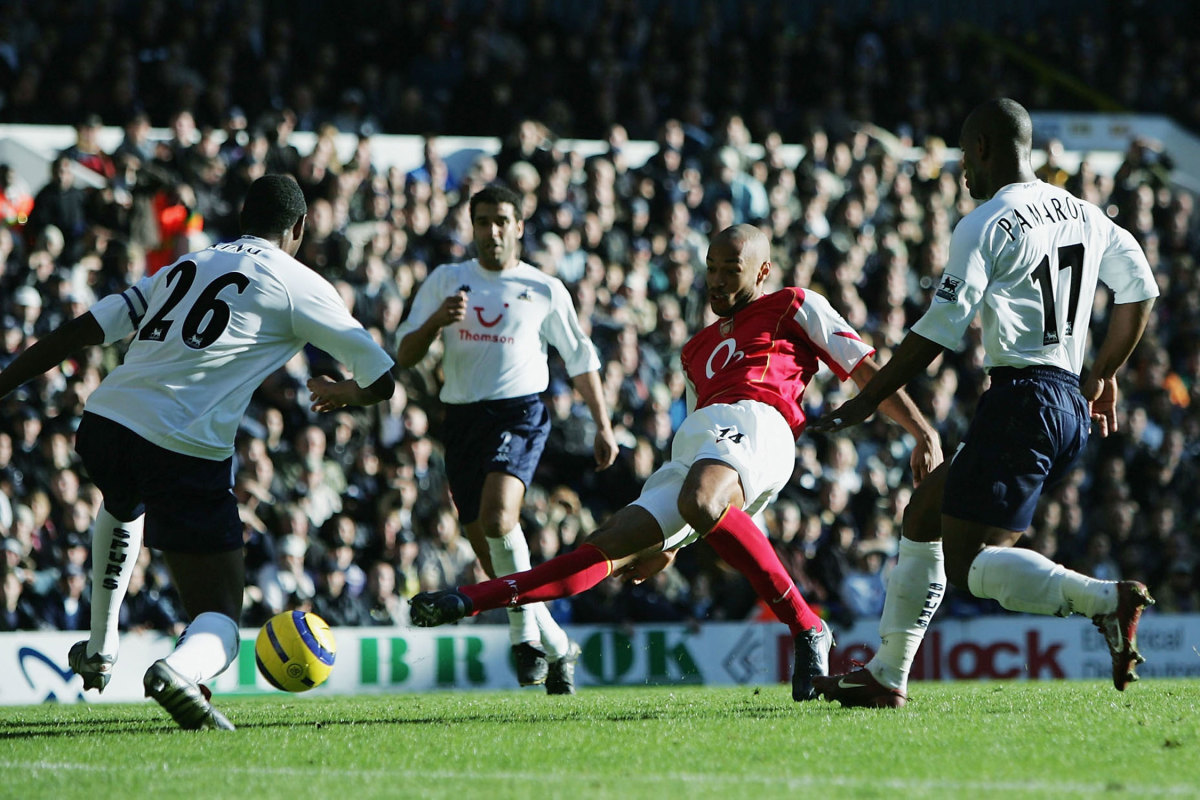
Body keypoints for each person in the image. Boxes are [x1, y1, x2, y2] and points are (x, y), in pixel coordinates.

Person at [409, 224, 941, 701]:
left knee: (700, 497)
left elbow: (866, 370)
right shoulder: (695, 349)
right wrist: (672, 546)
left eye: (729, 271)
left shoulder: (795, 304)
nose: (715, 281)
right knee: (610, 545)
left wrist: (920, 430)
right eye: (710, 269)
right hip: (700, 441)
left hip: (761, 422)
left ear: (762, 271)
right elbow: (702, 457)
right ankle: (469, 600)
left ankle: (807, 627)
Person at [0, 174, 396, 729]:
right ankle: (180, 671)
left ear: (241, 220)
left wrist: (3, 382)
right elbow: (383, 376)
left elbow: (82, 330)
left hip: (104, 422)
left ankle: (100, 645)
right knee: (221, 615)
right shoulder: (297, 281)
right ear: (300, 228)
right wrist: (346, 393)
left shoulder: (185, 265)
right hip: (182, 446)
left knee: (123, 497)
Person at [809, 98, 1159, 708]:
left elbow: (939, 328)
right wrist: (1103, 371)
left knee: (972, 562)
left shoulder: (987, 222)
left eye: (965, 155)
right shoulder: (1086, 213)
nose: (963, 171)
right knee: (923, 515)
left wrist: (873, 394)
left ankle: (1107, 600)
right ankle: (887, 673)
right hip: (1065, 400)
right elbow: (1140, 292)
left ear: (986, 148)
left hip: (1023, 399)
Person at [385, 183, 618, 695]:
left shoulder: (544, 288)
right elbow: (403, 352)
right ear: (472, 226)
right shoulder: (447, 281)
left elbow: (580, 357)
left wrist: (602, 423)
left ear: (519, 226)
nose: (492, 230)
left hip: (520, 413)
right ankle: (558, 646)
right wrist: (436, 323)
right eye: (483, 220)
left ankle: (524, 640)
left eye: (501, 220)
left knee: (497, 517)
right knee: (492, 558)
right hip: (462, 420)